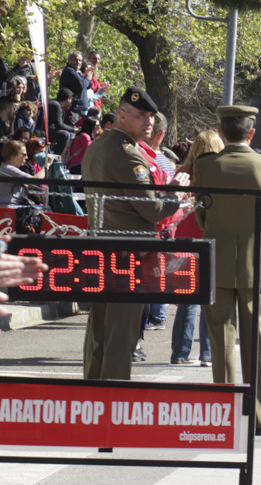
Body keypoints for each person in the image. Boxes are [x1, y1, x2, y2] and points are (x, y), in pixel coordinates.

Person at [193, 105, 261, 437]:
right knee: (256, 342)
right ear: (252, 132)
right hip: (254, 265)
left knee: (220, 339)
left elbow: (201, 217)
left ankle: (223, 411)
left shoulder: (205, 166)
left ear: (221, 132)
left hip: (216, 262)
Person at [82, 87, 183, 381]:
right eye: (141, 115)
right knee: (121, 335)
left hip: (100, 246)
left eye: (151, 116)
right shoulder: (128, 155)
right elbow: (152, 209)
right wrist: (175, 193)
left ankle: (92, 392)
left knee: (99, 330)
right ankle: (112, 400)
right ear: (122, 115)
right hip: (127, 253)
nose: (148, 121)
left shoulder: (97, 146)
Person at [169, 130, 223, 367]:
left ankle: (180, 352)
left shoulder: (182, 173)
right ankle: (208, 354)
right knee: (209, 297)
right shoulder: (221, 173)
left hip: (184, 235)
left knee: (187, 297)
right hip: (210, 234)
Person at [0, 141, 52, 207]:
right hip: (3, 206)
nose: (27, 157)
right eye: (24, 155)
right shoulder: (8, 169)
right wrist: (46, 165)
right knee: (43, 210)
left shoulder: (7, 168)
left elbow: (29, 185)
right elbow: (34, 180)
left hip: (9, 206)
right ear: (14, 155)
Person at [58, 52, 92, 117]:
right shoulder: (69, 71)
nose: (78, 62)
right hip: (72, 108)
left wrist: (86, 78)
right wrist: (87, 78)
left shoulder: (77, 72)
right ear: (69, 60)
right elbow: (81, 86)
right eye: (75, 60)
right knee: (73, 126)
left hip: (78, 109)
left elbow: (88, 86)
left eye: (80, 60)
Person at [47, 89, 78, 155]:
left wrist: (63, 109)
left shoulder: (58, 105)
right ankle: (57, 156)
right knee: (65, 135)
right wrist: (73, 129)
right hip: (44, 130)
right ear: (68, 99)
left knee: (69, 134)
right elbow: (59, 125)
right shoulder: (56, 105)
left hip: (48, 128)